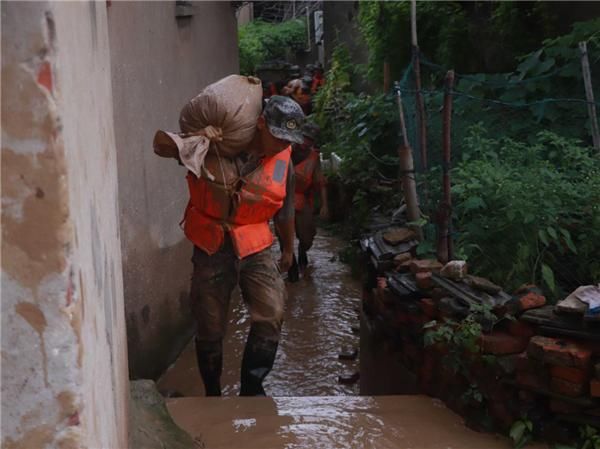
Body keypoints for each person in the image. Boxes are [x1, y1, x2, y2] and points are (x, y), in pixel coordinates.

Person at [181, 96, 305, 396]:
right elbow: (171, 149)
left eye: (287, 139)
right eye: (277, 136)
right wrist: (199, 141)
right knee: (210, 324)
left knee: (272, 311)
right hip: (212, 244)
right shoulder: (220, 144)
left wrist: (289, 249)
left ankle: (252, 388)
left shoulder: (283, 161)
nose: (281, 145)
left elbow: (285, 210)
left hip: (256, 246)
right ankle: (213, 394)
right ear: (261, 124)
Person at [286, 122, 329, 282]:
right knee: (284, 234)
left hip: (302, 200)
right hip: (283, 200)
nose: (305, 143)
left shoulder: (313, 158)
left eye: (309, 140)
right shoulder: (284, 151)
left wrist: (325, 205)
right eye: (303, 138)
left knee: (307, 237)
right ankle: (292, 269)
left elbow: (320, 183)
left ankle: (302, 250)